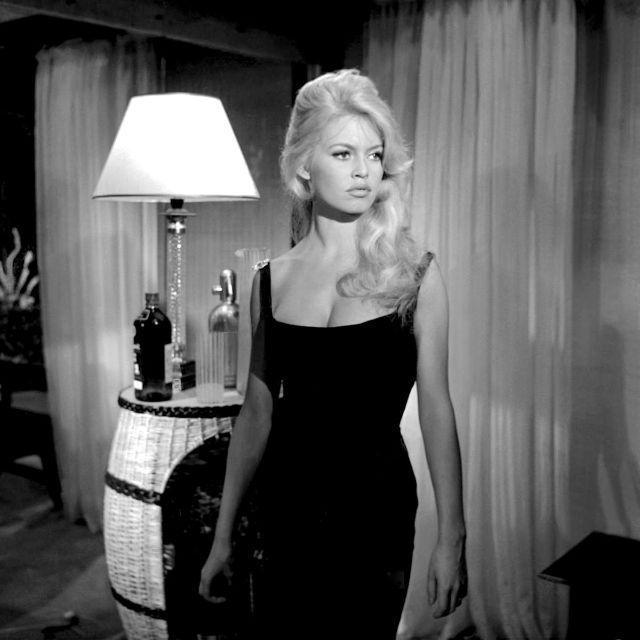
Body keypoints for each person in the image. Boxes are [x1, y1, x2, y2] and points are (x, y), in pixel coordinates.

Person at [200, 68, 467, 639]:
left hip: (376, 512)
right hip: (285, 509)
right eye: (343, 154)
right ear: (303, 166)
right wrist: (223, 536)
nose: (363, 171)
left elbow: (437, 409)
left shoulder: (414, 276)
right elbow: (256, 413)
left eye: (374, 155)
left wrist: (453, 538)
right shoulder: (269, 281)